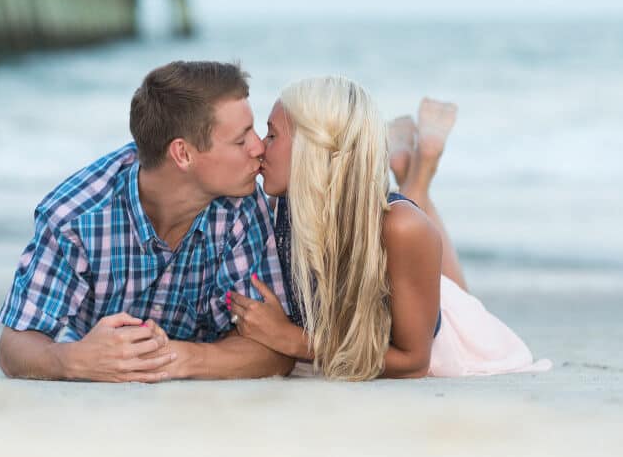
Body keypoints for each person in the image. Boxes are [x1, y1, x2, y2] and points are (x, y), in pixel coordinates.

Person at [0, 60, 296, 382]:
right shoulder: (76, 218)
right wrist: (73, 360)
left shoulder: (243, 204)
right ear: (182, 154)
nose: (258, 147)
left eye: (253, 130)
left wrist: (182, 359)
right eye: (241, 140)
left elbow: (273, 348)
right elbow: (15, 345)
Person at [231, 77, 549, 379]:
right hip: (409, 284)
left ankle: (421, 172)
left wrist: (293, 340)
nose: (258, 147)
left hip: (444, 341)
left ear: (315, 149)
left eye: (271, 135)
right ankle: (414, 172)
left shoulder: (402, 228)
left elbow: (413, 363)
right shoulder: (284, 205)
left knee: (454, 291)